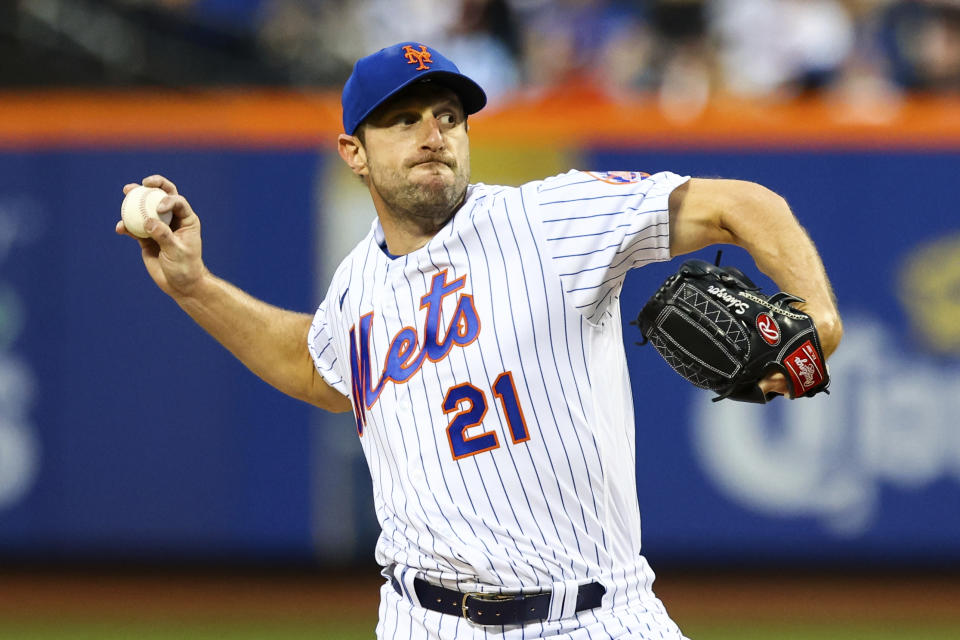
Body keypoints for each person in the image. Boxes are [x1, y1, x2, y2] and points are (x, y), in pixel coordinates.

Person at [117, 42, 842, 639]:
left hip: (595, 615)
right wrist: (195, 287)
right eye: (403, 120)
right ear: (354, 151)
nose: (434, 134)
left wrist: (820, 316)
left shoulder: (549, 218)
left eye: (448, 115)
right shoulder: (358, 282)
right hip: (421, 618)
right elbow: (318, 369)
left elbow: (744, 204)